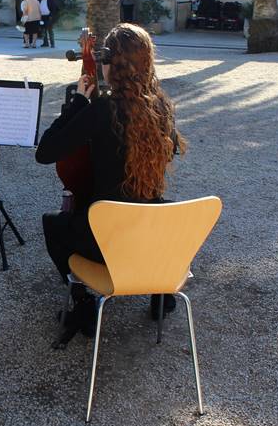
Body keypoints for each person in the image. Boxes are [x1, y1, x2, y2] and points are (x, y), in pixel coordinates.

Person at [35, 23, 186, 339]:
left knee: (53, 224)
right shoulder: (160, 105)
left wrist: (77, 103)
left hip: (110, 242)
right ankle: (160, 292)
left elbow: (46, 152)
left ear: (110, 65)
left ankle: (82, 303)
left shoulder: (104, 110)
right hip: (155, 236)